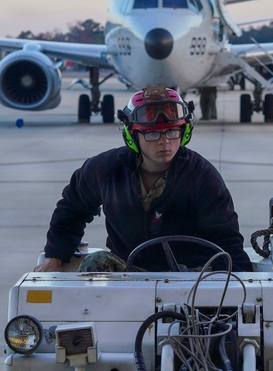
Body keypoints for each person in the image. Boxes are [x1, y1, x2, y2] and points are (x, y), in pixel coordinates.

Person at [36, 87, 251, 272]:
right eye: (152, 134)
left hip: (189, 278)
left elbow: (226, 240)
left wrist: (236, 291)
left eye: (172, 132)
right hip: (127, 272)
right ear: (132, 135)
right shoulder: (105, 170)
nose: (164, 142)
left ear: (184, 132)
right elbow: (72, 208)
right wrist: (54, 256)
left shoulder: (203, 177)